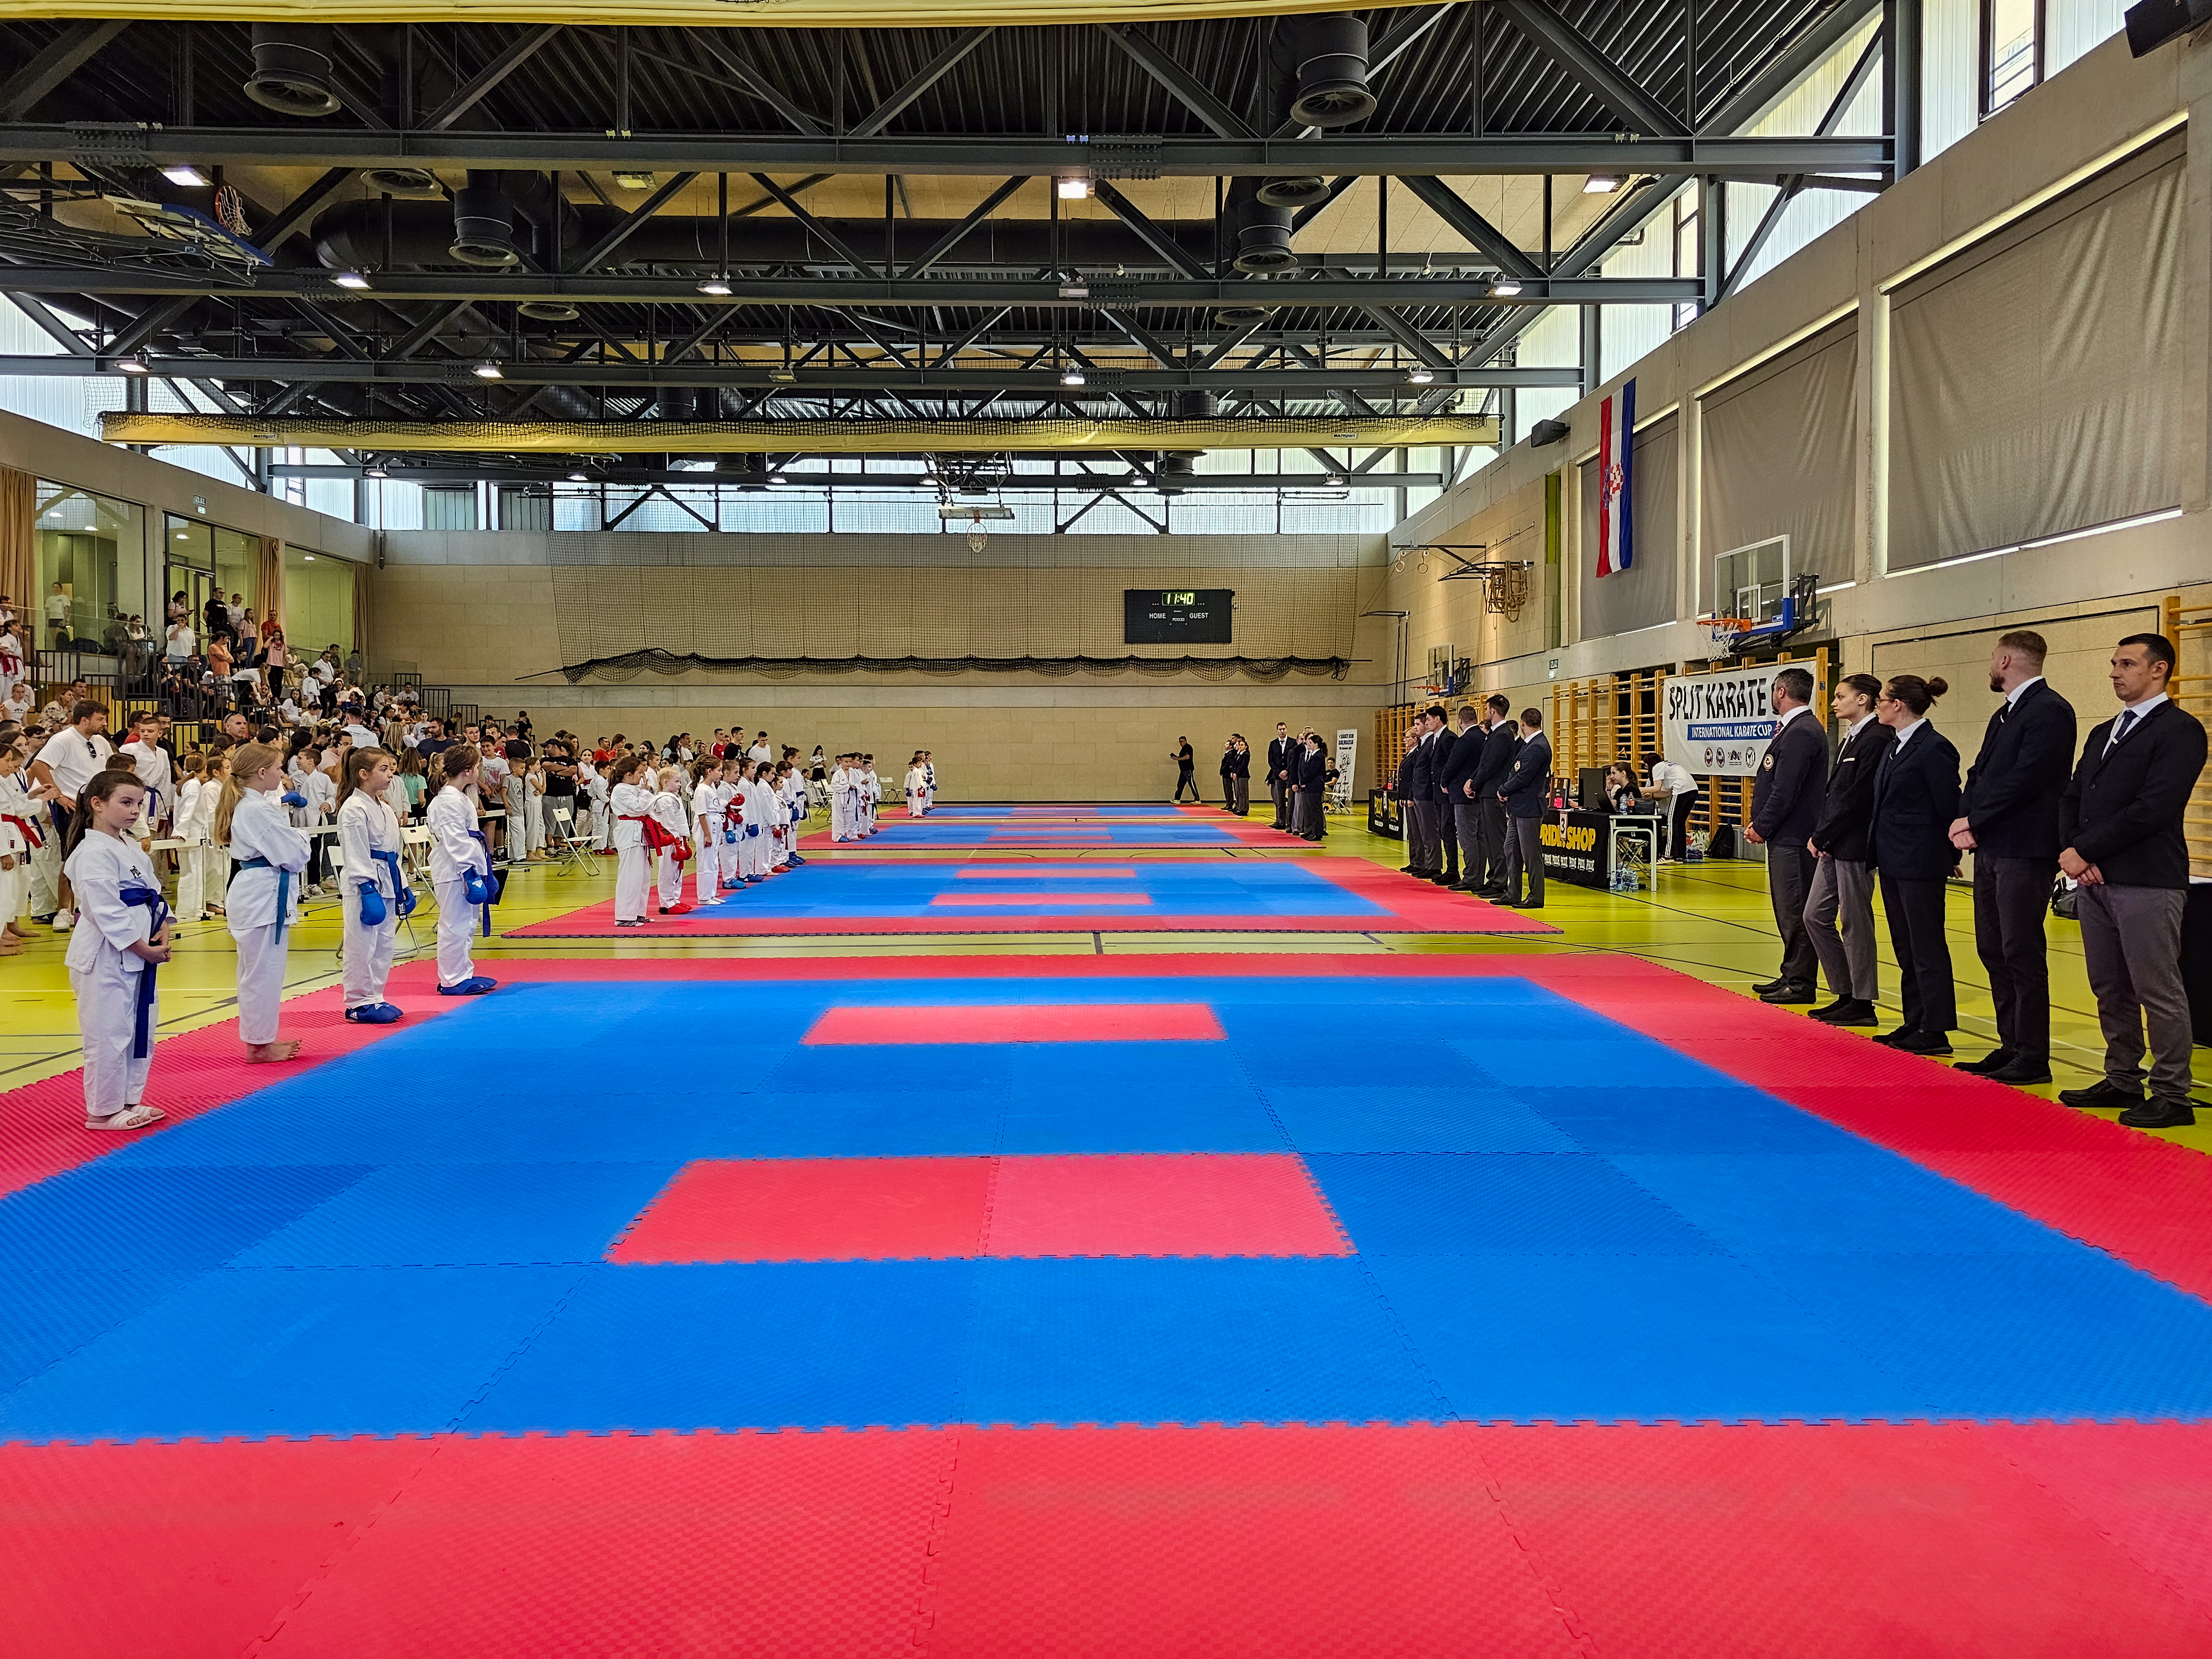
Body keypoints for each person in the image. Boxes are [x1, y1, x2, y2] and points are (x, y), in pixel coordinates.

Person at [2056, 633, 2209, 1127]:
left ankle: (2172, 1092)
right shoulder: (2105, 731)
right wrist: (2073, 852)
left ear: (2159, 669)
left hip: (2147, 880)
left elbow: (2154, 808)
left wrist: (2086, 850)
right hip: (2095, 880)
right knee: (2109, 986)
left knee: (2156, 988)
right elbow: (2073, 797)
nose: (2115, 673)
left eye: (2126, 664)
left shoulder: (2180, 730)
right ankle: (2122, 1076)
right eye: (2114, 663)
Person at [1947, 631, 2078, 1086]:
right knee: (1993, 947)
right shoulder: (2005, 714)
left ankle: (2033, 1055)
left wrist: (1975, 819)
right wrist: (1965, 817)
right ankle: (2011, 1044)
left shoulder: (2050, 711)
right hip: (1993, 846)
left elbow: (2027, 779)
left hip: (2026, 847)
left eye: (1992, 658)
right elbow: (1979, 771)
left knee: (2021, 950)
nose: (1990, 665)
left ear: (2005, 660)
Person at [61, 767, 170, 1130]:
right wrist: (142, 947)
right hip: (104, 955)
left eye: (139, 804)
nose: (135, 811)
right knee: (108, 1034)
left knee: (137, 1029)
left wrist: (163, 927)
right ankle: (103, 1111)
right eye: (126, 803)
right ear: (97, 804)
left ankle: (128, 1100)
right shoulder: (92, 851)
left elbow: (153, 891)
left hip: (136, 952)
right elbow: (104, 909)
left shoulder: (128, 845)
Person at [1866, 675, 1961, 1056]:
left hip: (1920, 860)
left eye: (1882, 699)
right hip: (1893, 859)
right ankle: (1915, 1019)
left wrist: (1950, 854)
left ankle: (1936, 1028)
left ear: (1899, 704)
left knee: (1926, 946)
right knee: (1905, 946)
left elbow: (1948, 805)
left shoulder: (1933, 748)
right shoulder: (1895, 745)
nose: (1877, 705)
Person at [216, 742, 311, 1064]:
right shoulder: (255, 809)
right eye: (278, 768)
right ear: (261, 772)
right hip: (262, 897)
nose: (282, 774)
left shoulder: (253, 805)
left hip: (260, 893)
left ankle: (260, 1040)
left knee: (260, 973)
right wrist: (301, 839)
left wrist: (295, 841)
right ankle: (259, 1046)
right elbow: (295, 855)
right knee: (262, 974)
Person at [1803, 674, 1885, 1027]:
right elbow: (1835, 794)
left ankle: (1862, 1001)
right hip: (1834, 842)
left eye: (1841, 696)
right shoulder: (1852, 737)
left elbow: (1857, 798)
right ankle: (1844, 990)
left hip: (1854, 845)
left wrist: (1824, 836)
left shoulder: (1877, 738)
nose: (1834, 703)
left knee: (1855, 922)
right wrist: (1823, 835)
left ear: (1863, 699)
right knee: (1814, 915)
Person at [1744, 667, 1828, 1005]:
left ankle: (1801, 982)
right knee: (1787, 910)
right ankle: (1791, 972)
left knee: (1794, 911)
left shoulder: (1802, 732)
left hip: (1794, 837)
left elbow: (1785, 790)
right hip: (1787, 836)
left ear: (1781, 692)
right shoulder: (1794, 729)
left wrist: (1761, 826)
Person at [334, 747, 411, 1024]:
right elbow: (355, 852)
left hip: (388, 877)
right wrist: (367, 889)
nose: (391, 775)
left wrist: (403, 885)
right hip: (364, 884)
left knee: (384, 943)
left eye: (391, 769)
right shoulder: (353, 809)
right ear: (364, 774)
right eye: (384, 769)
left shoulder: (385, 808)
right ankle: (358, 1002)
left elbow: (394, 850)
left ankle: (375, 996)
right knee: (361, 944)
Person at [28, 699, 114, 929]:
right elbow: (38, 766)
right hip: (71, 807)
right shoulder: (63, 739)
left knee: (100, 856)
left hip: (98, 806)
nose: (104, 723)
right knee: (72, 857)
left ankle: (89, 907)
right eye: (100, 719)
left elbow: (107, 771)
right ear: (84, 720)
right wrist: (58, 795)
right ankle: (63, 911)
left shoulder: (100, 742)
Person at [426, 743, 498, 995]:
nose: (479, 771)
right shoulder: (446, 801)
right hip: (454, 869)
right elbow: (455, 839)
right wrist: (469, 872)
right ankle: (451, 979)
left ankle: (462, 973)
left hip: (463, 866)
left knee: (466, 923)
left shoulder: (459, 797)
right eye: (477, 767)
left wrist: (480, 870)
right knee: (454, 924)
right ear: (468, 770)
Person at [1495, 707, 1551, 909]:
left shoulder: (1538, 746)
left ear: (1523, 724)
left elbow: (1524, 777)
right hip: (1518, 807)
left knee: (1530, 854)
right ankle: (1513, 892)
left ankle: (1536, 896)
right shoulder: (1530, 744)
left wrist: (1503, 789)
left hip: (1529, 807)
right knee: (1510, 848)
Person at [1469, 695, 1519, 898]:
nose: (1485, 712)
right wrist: (1472, 780)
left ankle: (1500, 881)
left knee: (1497, 839)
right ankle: (1493, 877)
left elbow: (1491, 765)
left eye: (1487, 709)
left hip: (1494, 792)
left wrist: (1475, 783)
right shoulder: (1495, 733)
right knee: (1489, 838)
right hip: (1487, 792)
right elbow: (1483, 762)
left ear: (1493, 711)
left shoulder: (1503, 735)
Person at [1441, 705, 1488, 891]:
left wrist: (1444, 781)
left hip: (1463, 794)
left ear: (1460, 721)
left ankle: (1471, 877)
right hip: (1481, 793)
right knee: (1479, 838)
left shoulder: (1464, 740)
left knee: (1467, 838)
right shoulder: (1485, 737)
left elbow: (1452, 764)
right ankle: (1478, 876)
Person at [606, 753, 654, 926]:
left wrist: (644, 793)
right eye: (640, 772)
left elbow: (645, 807)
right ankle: (624, 917)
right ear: (628, 775)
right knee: (630, 876)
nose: (642, 776)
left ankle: (638, 913)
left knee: (642, 877)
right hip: (629, 833)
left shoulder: (633, 789)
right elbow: (639, 808)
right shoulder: (620, 790)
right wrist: (646, 793)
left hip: (639, 833)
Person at [0, 739, 35, 954]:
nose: (10, 765)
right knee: (3, 891)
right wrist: (4, 852)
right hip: (4, 838)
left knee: (9, 891)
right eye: (7, 760)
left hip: (9, 832)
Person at [1401, 707, 1443, 879]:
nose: (1417, 727)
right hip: (1418, 792)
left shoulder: (1429, 743)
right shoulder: (1423, 745)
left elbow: (1429, 770)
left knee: (1428, 831)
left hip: (1426, 793)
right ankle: (1424, 863)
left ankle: (1432, 865)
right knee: (1420, 832)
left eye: (1419, 724)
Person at [1641, 750, 1702, 862]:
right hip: (1693, 790)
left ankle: (1668, 855)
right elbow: (1667, 793)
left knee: (1671, 822)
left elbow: (1656, 788)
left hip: (1681, 790)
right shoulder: (1667, 767)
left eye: (1646, 766)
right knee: (1679, 823)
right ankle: (1680, 855)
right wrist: (1650, 795)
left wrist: (1639, 790)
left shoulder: (1657, 767)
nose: (1646, 768)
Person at [650, 764, 693, 914]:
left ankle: (674, 899)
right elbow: (669, 824)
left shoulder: (674, 798)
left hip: (678, 838)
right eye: (676, 781)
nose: (679, 784)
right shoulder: (664, 800)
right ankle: (666, 903)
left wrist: (683, 839)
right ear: (665, 782)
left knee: (677, 871)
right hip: (669, 840)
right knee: (667, 871)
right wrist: (676, 841)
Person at [691, 757, 726, 904]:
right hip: (707, 824)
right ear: (709, 771)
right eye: (719, 770)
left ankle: (711, 893)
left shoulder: (711, 788)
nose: (721, 774)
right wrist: (707, 835)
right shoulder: (702, 790)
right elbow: (701, 814)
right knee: (706, 862)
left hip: (715, 822)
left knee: (713, 861)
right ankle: (704, 897)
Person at [1223, 735, 1251, 815]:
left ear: (1246, 746)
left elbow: (1243, 766)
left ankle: (1244, 809)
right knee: (1238, 793)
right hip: (1238, 775)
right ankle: (1239, 808)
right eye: (1240, 745)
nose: (1240, 746)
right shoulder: (1238, 754)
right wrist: (1233, 772)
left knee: (1243, 793)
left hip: (1243, 775)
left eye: (1242, 745)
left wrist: (1237, 773)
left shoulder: (1246, 754)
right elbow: (1235, 764)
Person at [1171, 735, 1200, 802]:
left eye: (1182, 742)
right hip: (1183, 769)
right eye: (1180, 742)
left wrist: (1177, 758)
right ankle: (1177, 799)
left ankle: (1197, 799)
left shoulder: (1188, 747)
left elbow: (1187, 757)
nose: (1181, 743)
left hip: (1188, 769)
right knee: (1180, 784)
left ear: (1185, 741)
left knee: (1191, 783)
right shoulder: (1183, 749)